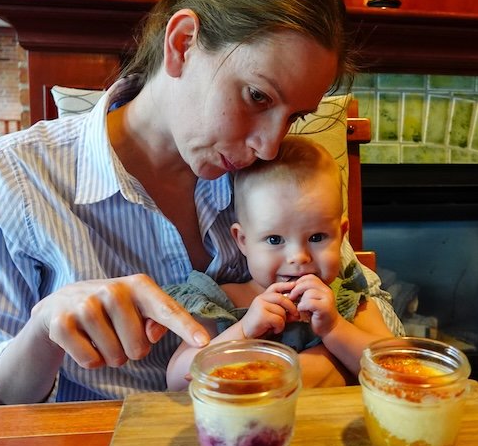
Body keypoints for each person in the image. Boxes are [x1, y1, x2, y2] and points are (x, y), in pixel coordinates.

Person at [0, 0, 403, 407]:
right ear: (182, 44)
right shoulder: (14, 177)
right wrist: (44, 329)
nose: (267, 146)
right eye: (257, 96)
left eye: (294, 117)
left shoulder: (278, 179)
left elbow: (373, 316)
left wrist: (318, 365)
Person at [165, 136, 393, 390]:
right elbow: (176, 380)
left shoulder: (347, 300)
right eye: (274, 239)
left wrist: (334, 328)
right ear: (243, 241)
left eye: (317, 237)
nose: (299, 257)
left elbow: (391, 369)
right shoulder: (222, 303)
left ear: (340, 235)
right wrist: (244, 331)